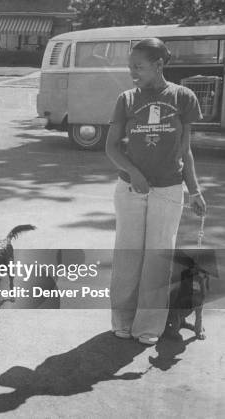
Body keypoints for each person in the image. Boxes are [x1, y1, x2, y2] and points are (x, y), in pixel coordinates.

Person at [105, 38, 207, 346]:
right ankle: (122, 319)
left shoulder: (183, 97)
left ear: (159, 65)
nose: (132, 72)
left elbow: (185, 150)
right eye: (130, 66)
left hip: (168, 189)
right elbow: (111, 147)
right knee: (128, 255)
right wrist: (134, 173)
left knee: (158, 258)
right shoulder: (126, 99)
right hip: (130, 190)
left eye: (139, 66)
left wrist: (195, 191)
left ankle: (148, 325)